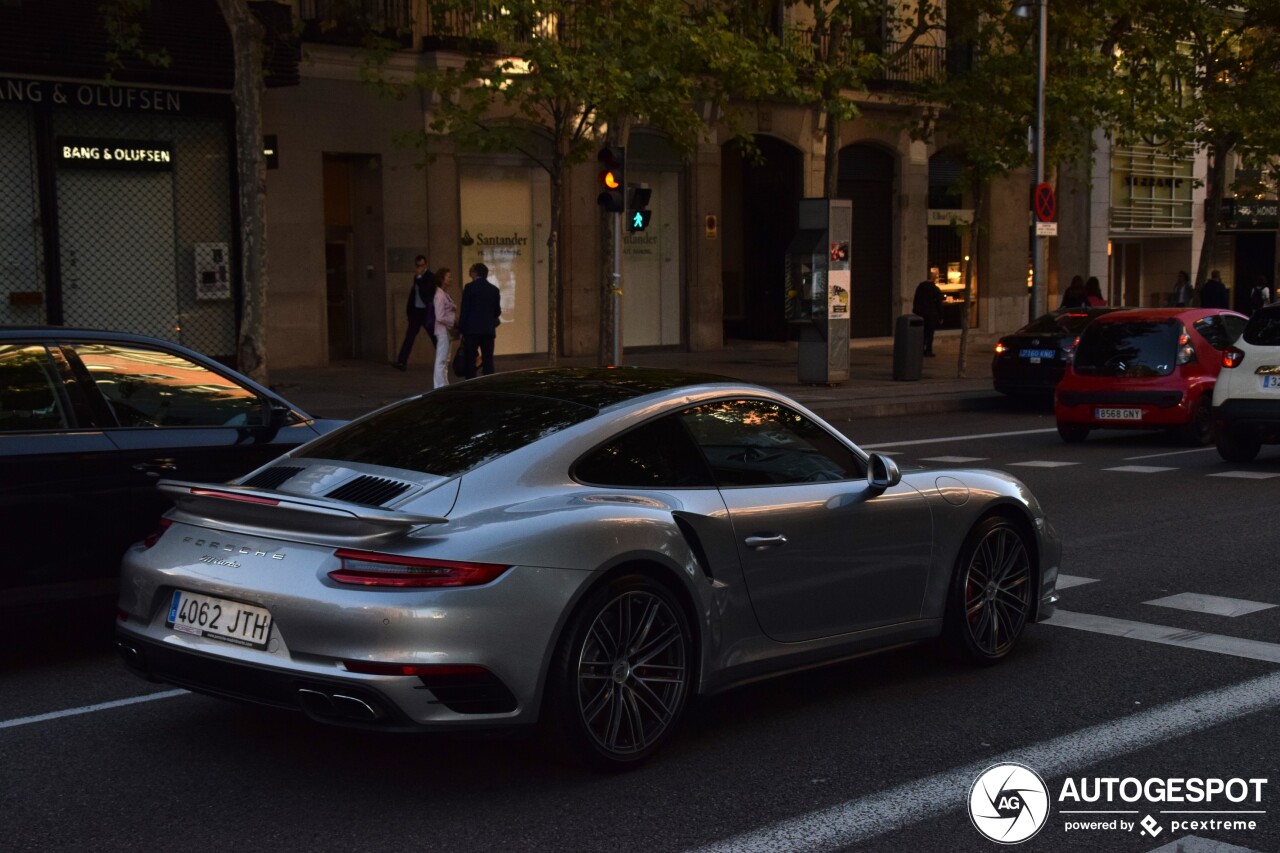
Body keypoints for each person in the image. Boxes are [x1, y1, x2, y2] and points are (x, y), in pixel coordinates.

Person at [457, 262, 502, 378]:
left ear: (475, 273)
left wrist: (461, 330)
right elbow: (497, 311)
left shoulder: (469, 288)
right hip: (488, 331)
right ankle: (488, 384)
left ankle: (471, 385)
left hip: (471, 331)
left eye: (471, 271)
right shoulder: (494, 290)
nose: (470, 274)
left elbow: (464, 310)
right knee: (488, 360)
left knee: (471, 360)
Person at [392, 255, 436, 371]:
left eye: (421, 265)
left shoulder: (429, 277)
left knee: (434, 336)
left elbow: (426, 291)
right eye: (417, 265)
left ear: (425, 264)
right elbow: (414, 294)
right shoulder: (417, 277)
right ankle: (402, 361)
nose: (419, 267)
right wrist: (409, 312)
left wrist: (420, 277)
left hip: (426, 312)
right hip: (416, 312)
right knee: (409, 337)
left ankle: (443, 358)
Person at [431, 267, 458, 389]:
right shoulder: (440, 295)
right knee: (441, 360)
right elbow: (440, 316)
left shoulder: (443, 294)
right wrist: (452, 322)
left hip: (446, 331)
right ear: (442, 278)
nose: (450, 279)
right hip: (443, 331)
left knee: (445, 360)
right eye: (448, 277)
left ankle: (443, 384)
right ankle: (439, 385)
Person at [912, 278, 944, 357]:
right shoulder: (935, 289)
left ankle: (920, 349)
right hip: (931, 314)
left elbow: (916, 300)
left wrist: (916, 311)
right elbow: (939, 303)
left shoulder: (920, 288)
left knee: (921, 333)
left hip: (921, 313)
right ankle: (928, 350)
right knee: (930, 333)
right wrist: (941, 316)